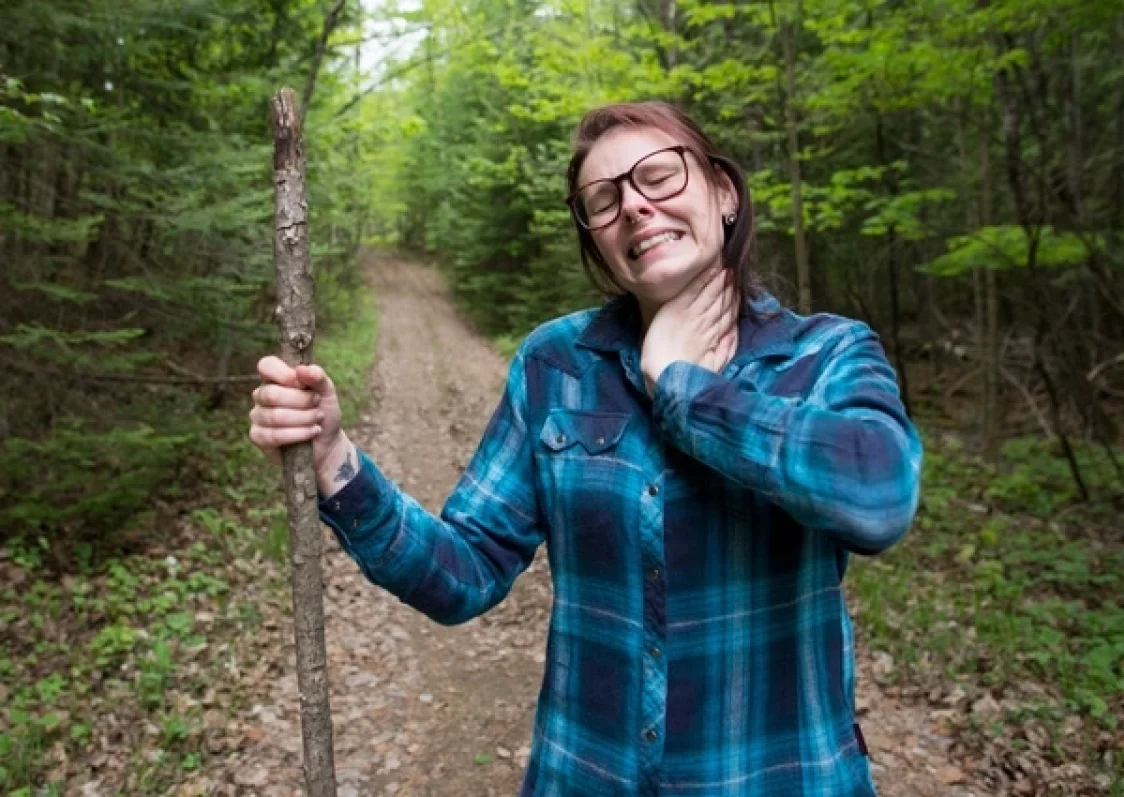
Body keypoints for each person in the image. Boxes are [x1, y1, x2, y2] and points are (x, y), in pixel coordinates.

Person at [249, 101, 922, 796]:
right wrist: (335, 460)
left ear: (724, 193)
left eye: (659, 175)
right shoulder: (557, 365)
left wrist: (682, 387)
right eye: (604, 199)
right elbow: (466, 572)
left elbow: (880, 498)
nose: (634, 205)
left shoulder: (826, 353)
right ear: (597, 239)